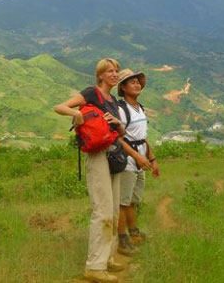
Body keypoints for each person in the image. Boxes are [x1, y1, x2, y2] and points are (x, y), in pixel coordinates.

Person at [53, 58, 125, 283]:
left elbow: (121, 132)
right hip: (97, 156)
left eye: (116, 71)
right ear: (100, 75)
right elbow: (60, 107)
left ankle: (108, 259)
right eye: (110, 71)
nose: (114, 74)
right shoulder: (92, 93)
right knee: (102, 210)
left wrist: (116, 122)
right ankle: (94, 266)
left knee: (113, 212)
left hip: (113, 154)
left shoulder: (113, 100)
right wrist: (77, 116)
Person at [115, 69, 160, 256]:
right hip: (127, 162)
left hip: (140, 160)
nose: (137, 84)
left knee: (133, 201)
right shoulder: (121, 109)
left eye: (137, 81)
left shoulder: (140, 107)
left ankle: (133, 233)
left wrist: (152, 159)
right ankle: (121, 239)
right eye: (131, 82)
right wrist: (137, 157)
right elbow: (117, 139)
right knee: (123, 203)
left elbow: (143, 137)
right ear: (123, 87)